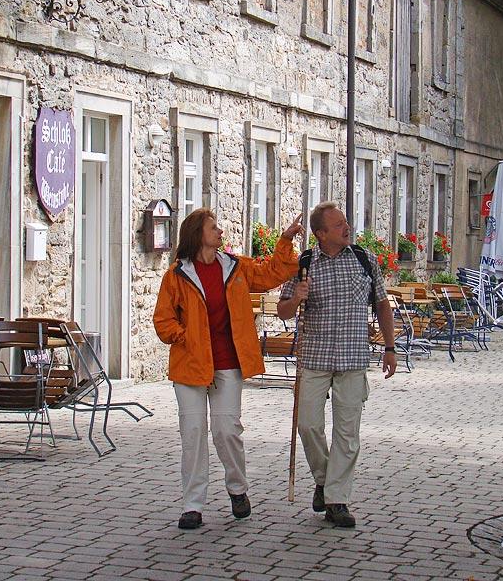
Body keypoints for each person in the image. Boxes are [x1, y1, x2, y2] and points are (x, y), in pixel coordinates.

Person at [154, 208, 304, 530]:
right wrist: (186, 337)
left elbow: (274, 272)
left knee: (226, 430)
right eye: (214, 228)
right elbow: (163, 320)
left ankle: (237, 487)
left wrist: (286, 240)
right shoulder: (176, 276)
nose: (220, 232)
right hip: (190, 364)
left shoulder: (234, 268)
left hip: (226, 363)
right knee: (192, 434)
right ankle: (192, 505)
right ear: (198, 235)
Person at [277, 201, 397, 528]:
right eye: (339, 224)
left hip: (353, 357)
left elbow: (382, 305)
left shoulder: (364, 259)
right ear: (320, 233)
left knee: (347, 433)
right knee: (308, 425)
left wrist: (389, 347)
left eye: (346, 222)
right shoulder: (304, 263)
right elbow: (282, 312)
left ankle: (337, 500)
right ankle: (324, 478)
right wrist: (297, 297)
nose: (347, 228)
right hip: (314, 357)